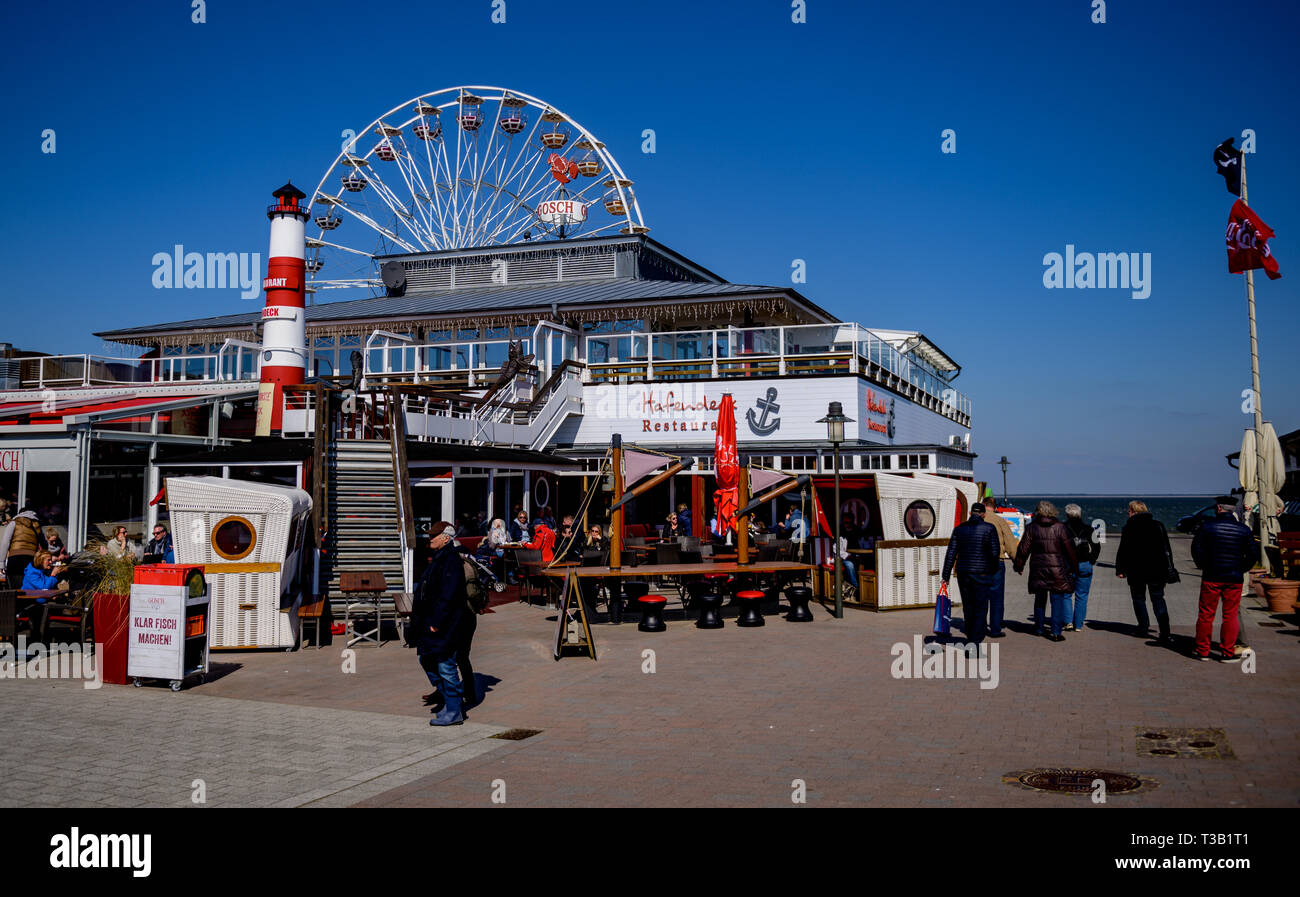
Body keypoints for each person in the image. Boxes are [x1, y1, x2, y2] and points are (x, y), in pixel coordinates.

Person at [412, 522, 470, 726]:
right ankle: (450, 701)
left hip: (445, 624)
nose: (430, 539)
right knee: (426, 659)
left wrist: (437, 621)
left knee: (445, 665)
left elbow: (449, 594)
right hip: (432, 622)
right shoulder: (441, 558)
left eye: (434, 535)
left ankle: (454, 709)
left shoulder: (450, 560)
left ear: (446, 538)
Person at [1190, 496, 1258, 662]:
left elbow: (1196, 549)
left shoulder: (1207, 527)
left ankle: (1203, 651)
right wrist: (1241, 568)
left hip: (1211, 576)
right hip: (1234, 578)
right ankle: (1227, 652)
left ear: (1219, 508)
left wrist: (1204, 565)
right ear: (1232, 509)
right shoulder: (1243, 530)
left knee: (1206, 614)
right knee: (1230, 615)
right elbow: (1252, 554)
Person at [1013, 501, 1077, 642]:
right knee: (1057, 600)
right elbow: (1070, 550)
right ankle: (1055, 632)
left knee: (1040, 600)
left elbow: (1023, 549)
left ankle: (1039, 628)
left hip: (1038, 569)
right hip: (1058, 570)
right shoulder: (1060, 527)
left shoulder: (1031, 528)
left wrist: (1019, 566)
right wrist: (1074, 568)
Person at [1114, 500, 1175, 643]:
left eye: (1129, 511)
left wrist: (1120, 569)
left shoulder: (1129, 527)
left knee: (1139, 599)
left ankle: (1143, 627)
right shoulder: (1158, 525)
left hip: (1136, 570)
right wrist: (1170, 567)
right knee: (1158, 600)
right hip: (1157, 569)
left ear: (1134, 511)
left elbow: (1123, 550)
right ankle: (1165, 632)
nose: (1127, 513)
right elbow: (1167, 549)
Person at [942, 501, 1001, 646]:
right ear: (983, 514)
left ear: (970, 514)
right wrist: (992, 571)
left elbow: (951, 553)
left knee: (968, 606)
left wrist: (946, 575)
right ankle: (975, 641)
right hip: (982, 573)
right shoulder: (989, 528)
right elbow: (995, 553)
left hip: (964, 573)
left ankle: (970, 636)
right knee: (981, 607)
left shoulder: (959, 529)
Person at [982, 498, 1017, 638]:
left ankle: (981, 626)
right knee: (997, 597)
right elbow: (1010, 543)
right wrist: (1017, 562)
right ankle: (995, 629)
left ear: (983, 506)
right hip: (997, 562)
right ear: (994, 507)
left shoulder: (976, 520)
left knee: (981, 596)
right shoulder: (1000, 521)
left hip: (980, 563)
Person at [1061, 504, 1099, 633]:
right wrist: (1092, 560)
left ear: (1067, 514)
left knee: (1066, 594)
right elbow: (1097, 546)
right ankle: (1078, 624)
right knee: (1082, 595)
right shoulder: (1089, 528)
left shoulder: (1063, 528)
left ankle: (1068, 622)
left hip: (1068, 565)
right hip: (1085, 563)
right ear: (1080, 514)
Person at [1, 504, 46, 586]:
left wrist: (1, 563)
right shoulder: (37, 525)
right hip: (31, 559)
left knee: (15, 588)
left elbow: (5, 543)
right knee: (29, 587)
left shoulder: (14, 522)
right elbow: (44, 545)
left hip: (15, 558)